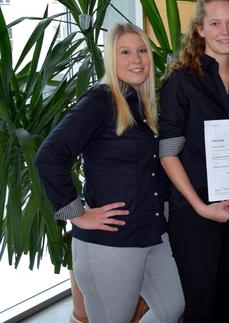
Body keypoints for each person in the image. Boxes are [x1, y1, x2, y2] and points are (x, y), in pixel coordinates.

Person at [35, 23, 184, 323]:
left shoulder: (144, 105)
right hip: (110, 241)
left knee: (172, 308)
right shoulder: (99, 101)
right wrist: (77, 213)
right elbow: (49, 156)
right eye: (125, 52)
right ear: (110, 59)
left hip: (151, 231)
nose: (137, 59)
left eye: (142, 51)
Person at [158, 0, 229, 322]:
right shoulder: (181, 82)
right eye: (216, 23)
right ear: (200, 30)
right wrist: (200, 206)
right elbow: (167, 153)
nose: (225, 31)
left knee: (227, 303)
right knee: (200, 306)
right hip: (195, 211)